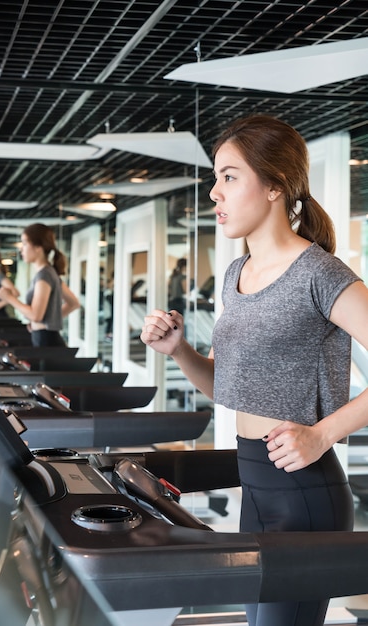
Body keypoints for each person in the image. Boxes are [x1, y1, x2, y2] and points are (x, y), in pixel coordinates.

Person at [140, 114, 368, 626]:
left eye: (229, 176)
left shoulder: (319, 272)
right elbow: (229, 384)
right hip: (256, 487)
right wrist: (180, 351)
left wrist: (321, 435)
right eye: (215, 178)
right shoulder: (236, 273)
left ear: (274, 187)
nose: (214, 192)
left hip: (303, 491)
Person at [0, 222, 80, 347]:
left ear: (38, 247)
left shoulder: (44, 275)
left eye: (25, 244)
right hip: (47, 337)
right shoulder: (50, 272)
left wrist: (10, 298)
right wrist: (49, 321)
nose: (21, 249)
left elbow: (36, 315)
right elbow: (73, 303)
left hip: (46, 340)